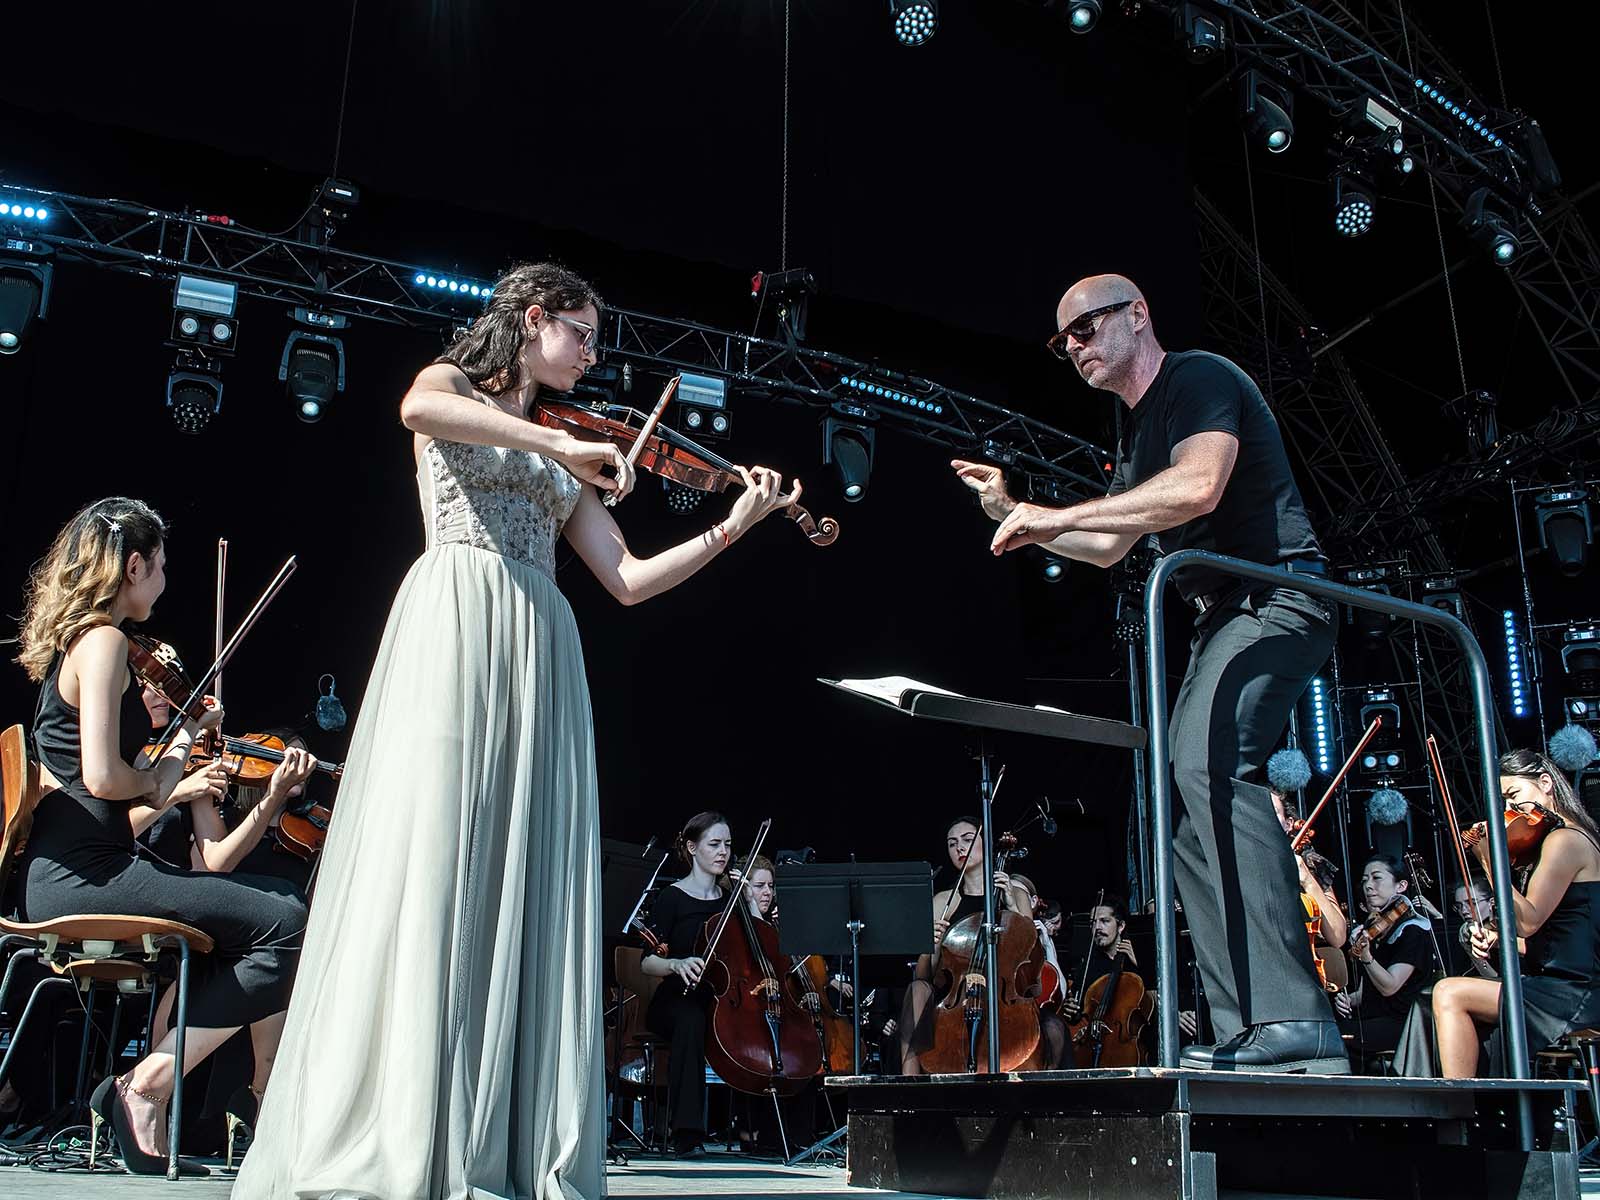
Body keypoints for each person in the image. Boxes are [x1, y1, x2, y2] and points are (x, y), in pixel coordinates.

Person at [236, 263, 798, 1200]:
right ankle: (408, 1120)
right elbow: (419, 410)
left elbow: (627, 580)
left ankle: (497, 1128)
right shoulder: (461, 388)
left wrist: (733, 526)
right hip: (458, 619)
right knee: (440, 857)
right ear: (534, 319)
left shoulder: (568, 446)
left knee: (520, 872)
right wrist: (556, 443)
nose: (591, 354)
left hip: (541, 647)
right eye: (582, 333)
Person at [956, 273, 1343, 1074]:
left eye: (1085, 328)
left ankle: (1296, 1016)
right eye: (1062, 341)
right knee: (1188, 814)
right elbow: (1107, 546)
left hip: (1278, 595)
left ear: (1137, 314)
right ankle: (1253, 1026)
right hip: (1225, 615)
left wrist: (1054, 515)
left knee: (1207, 768)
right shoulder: (1135, 437)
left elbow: (1198, 486)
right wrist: (1017, 517)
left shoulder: (1199, 378)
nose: (1074, 348)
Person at [13, 497, 310, 1175]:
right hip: (85, 873)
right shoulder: (104, 641)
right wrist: (160, 775)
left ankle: (152, 1088)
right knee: (288, 922)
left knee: (259, 921)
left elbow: (130, 782)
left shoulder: (84, 643)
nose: (166, 580)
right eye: (162, 566)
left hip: (81, 867)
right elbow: (105, 778)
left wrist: (181, 741)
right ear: (134, 566)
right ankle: (145, 1087)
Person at [1433, 750, 1600, 1078]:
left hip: (1577, 993)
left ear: (1545, 783)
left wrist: (1490, 860)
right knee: (1445, 1001)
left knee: (1448, 992)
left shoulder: (1565, 840)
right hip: (1569, 985)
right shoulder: (1570, 837)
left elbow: (1528, 921)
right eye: (1504, 802)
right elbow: (1560, 940)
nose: (1510, 809)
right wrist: (1499, 940)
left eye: (1514, 795)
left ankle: (1461, 1102)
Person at [898, 817, 1028, 1075]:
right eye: (952, 843)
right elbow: (924, 975)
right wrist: (932, 946)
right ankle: (909, 1087)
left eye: (968, 840)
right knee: (917, 990)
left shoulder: (1015, 893)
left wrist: (1012, 906)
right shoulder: (942, 901)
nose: (959, 847)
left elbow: (1030, 954)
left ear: (986, 844)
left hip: (1002, 994)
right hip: (953, 998)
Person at [638, 811, 731, 1156]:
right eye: (714, 844)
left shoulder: (730, 901)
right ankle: (687, 1133)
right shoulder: (672, 898)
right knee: (691, 1020)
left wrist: (751, 906)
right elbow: (647, 961)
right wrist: (676, 964)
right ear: (692, 848)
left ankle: (761, 1131)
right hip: (676, 998)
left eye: (727, 845)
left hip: (719, 997)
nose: (723, 852)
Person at [1337, 854, 1437, 1066]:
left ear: (1401, 886)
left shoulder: (1413, 931)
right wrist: (1349, 1000)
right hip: (1375, 1018)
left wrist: (1366, 958)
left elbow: (1390, 986)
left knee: (1335, 1036)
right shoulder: (1377, 929)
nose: (1368, 886)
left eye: (1376, 878)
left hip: (1406, 1025)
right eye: (1365, 880)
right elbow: (1365, 993)